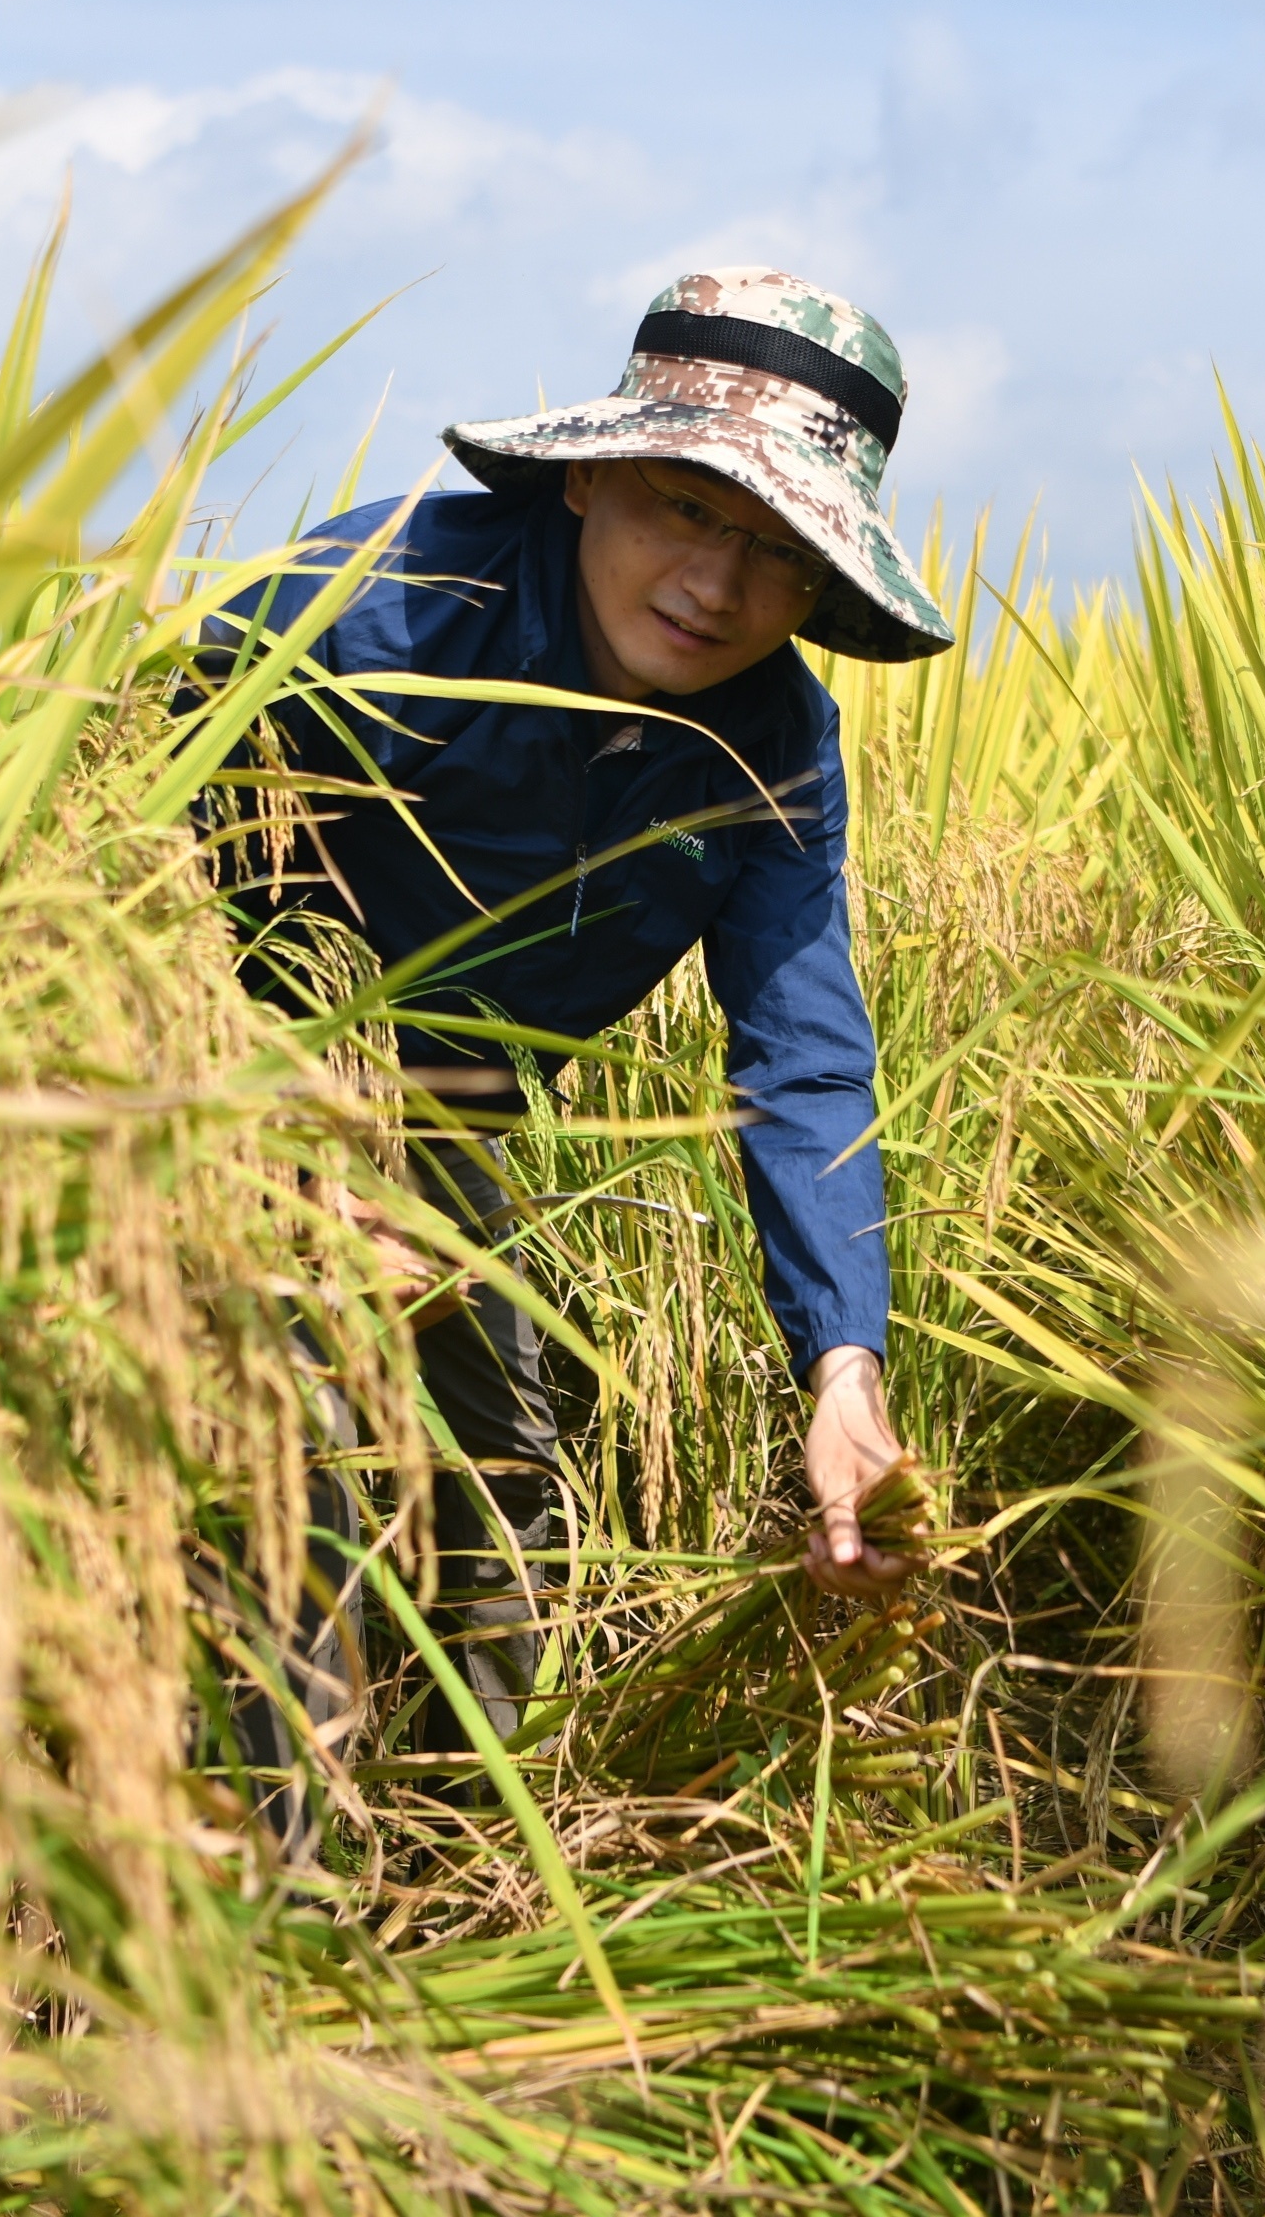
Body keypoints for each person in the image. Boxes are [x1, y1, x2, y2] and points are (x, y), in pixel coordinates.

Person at [209, 266, 956, 1817]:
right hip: (214, 1070)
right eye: (688, 509)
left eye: (780, 554)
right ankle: (269, 1939)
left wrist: (842, 1364)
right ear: (593, 479)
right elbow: (125, 860)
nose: (718, 585)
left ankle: (462, 1859)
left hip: (453, 1112)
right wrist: (270, 1145)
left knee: (506, 1479)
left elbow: (801, 1056)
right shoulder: (369, 617)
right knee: (313, 1442)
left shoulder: (772, 747)